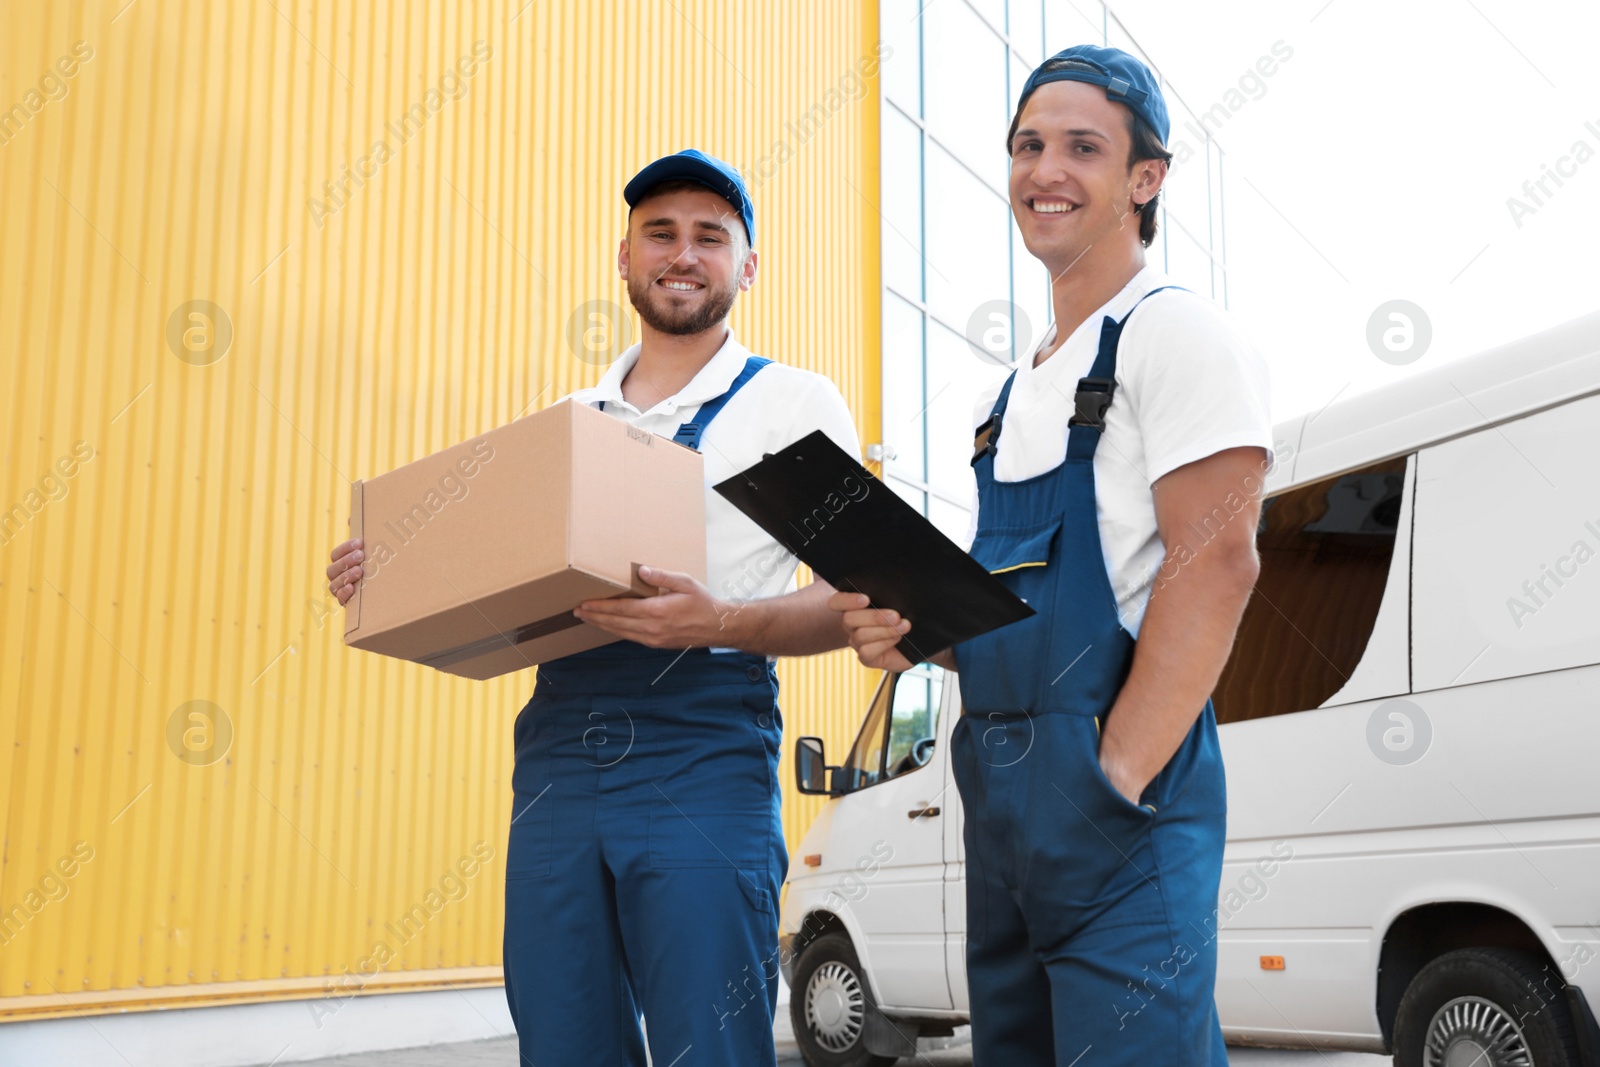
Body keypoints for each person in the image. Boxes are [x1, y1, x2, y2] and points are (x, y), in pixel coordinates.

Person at [326, 149, 859, 1066]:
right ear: (624, 258)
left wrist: (720, 621)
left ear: (748, 266)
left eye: (709, 237)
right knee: (564, 1032)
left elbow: (855, 595)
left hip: (704, 751)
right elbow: (492, 581)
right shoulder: (570, 421)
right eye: (660, 234)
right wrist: (390, 572)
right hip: (560, 757)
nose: (682, 254)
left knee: (710, 1039)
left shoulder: (789, 406)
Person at [832, 46, 1274, 1064]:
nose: (1046, 171)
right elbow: (1030, 618)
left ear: (1144, 178)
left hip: (1114, 799)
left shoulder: (1173, 334)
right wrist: (921, 634)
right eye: (1029, 145)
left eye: (1083, 147)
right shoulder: (1011, 394)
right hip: (998, 805)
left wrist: (1112, 775)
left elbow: (1216, 563)